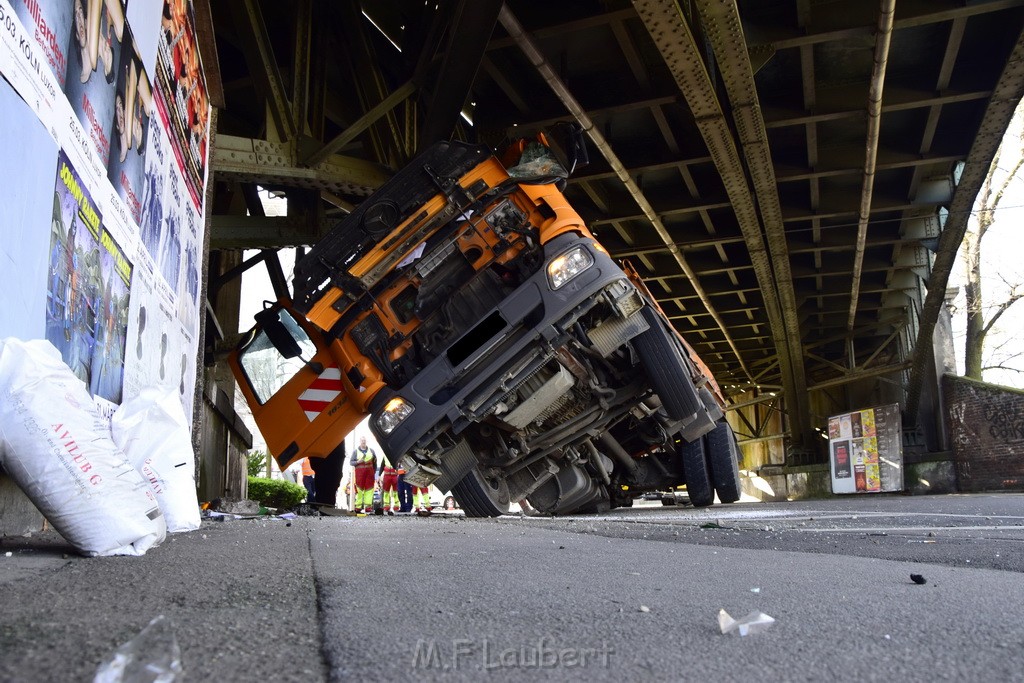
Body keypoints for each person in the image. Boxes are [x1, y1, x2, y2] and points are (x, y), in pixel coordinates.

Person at [349, 436, 377, 514]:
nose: (363, 442)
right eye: (362, 441)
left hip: (370, 473)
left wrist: (373, 471)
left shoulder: (371, 451)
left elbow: (375, 462)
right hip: (359, 474)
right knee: (359, 489)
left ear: (366, 441)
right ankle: (358, 507)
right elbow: (351, 462)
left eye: (364, 441)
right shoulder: (355, 451)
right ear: (360, 442)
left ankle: (368, 507)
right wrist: (358, 462)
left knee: (369, 489)